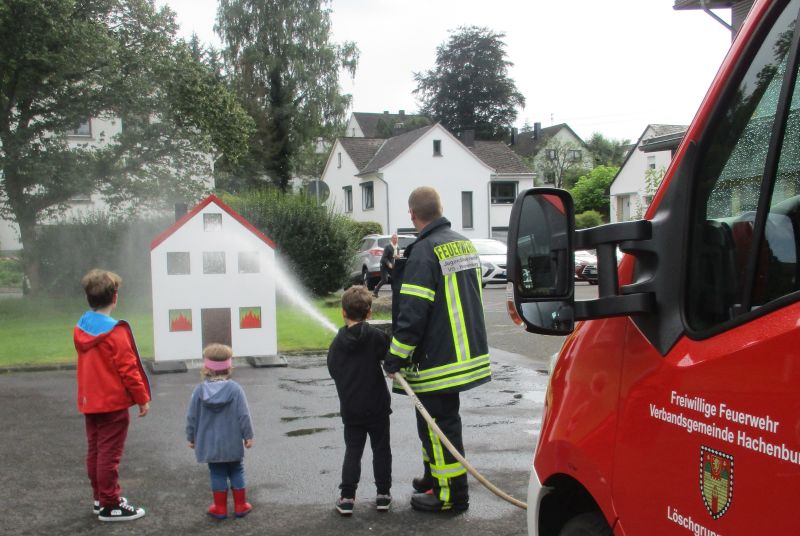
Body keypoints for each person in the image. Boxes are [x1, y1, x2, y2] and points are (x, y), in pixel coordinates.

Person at [383, 186, 491, 513]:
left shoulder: (424, 252)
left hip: (438, 361)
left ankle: (450, 496)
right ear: (440, 209)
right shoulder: (463, 243)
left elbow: (413, 314)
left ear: (412, 214)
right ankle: (434, 478)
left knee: (440, 428)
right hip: (464, 354)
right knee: (433, 425)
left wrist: (395, 357)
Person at [74, 269, 151, 522]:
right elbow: (128, 370)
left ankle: (100, 498)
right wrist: (141, 398)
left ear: (89, 298)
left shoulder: (82, 326)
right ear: (115, 297)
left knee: (95, 450)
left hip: (90, 402)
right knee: (109, 454)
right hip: (112, 404)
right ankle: (110, 504)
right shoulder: (115, 332)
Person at [327, 286, 393, 516]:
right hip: (377, 406)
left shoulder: (337, 343)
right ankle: (383, 495)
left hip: (352, 408)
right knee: (381, 449)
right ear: (370, 313)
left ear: (343, 312)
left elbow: (333, 369)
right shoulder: (376, 337)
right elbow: (390, 356)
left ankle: (347, 497)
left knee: (353, 450)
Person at [186, 343, 255, 520]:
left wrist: (191, 436)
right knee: (236, 470)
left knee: (217, 472)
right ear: (229, 367)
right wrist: (248, 435)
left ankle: (220, 508)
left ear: (206, 367)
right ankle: (240, 505)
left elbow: (192, 416)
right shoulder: (235, 389)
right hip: (232, 441)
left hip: (209, 443)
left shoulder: (199, 391)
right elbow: (244, 415)